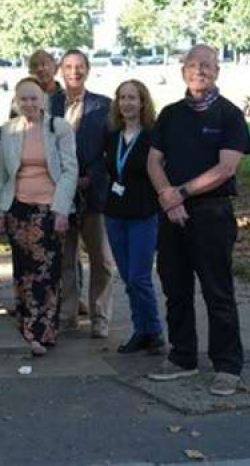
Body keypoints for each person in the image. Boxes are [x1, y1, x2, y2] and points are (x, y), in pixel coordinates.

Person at [147, 44, 250, 397]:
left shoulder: (229, 116)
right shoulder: (170, 114)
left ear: (217, 71)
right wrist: (167, 197)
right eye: (192, 65)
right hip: (172, 213)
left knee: (217, 291)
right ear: (183, 72)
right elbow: (153, 162)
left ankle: (227, 365)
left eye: (206, 65)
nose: (199, 71)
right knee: (175, 288)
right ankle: (182, 358)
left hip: (212, 214)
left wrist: (182, 193)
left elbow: (226, 168)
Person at [0, 77, 77, 356]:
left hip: (49, 208)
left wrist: (61, 209)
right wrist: (0, 210)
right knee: (23, 271)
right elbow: (3, 174)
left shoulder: (59, 128)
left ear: (43, 100)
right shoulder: (8, 130)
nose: (29, 104)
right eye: (24, 99)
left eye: (34, 98)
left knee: (45, 272)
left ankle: (42, 332)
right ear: (16, 102)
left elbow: (70, 170)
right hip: (18, 207)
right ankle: (26, 325)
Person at [50, 49, 114, 338]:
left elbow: (111, 151)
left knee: (101, 260)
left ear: (87, 70)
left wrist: (91, 177)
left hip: (94, 193)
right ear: (60, 71)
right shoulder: (48, 104)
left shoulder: (104, 106)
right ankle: (67, 316)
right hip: (60, 194)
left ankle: (100, 316)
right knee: (64, 259)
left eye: (79, 67)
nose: (74, 72)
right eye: (68, 67)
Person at [103, 80, 164, 355]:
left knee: (140, 277)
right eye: (122, 97)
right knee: (128, 277)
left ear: (143, 102)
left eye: (133, 98)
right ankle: (143, 331)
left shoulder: (154, 136)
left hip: (144, 214)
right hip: (115, 215)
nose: (127, 103)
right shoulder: (112, 136)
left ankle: (153, 332)